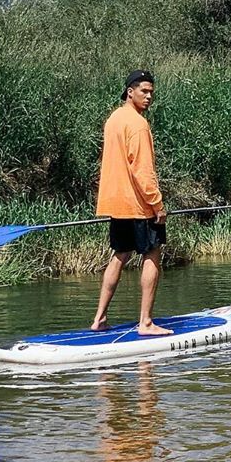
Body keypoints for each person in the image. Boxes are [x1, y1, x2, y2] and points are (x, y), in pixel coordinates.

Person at [89, 70, 172, 336]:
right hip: (138, 204)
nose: (149, 96)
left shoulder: (113, 119)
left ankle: (99, 318)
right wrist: (157, 205)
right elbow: (142, 171)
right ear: (130, 91)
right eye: (144, 91)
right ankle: (146, 322)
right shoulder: (137, 124)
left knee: (120, 256)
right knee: (152, 253)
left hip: (116, 204)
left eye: (151, 92)